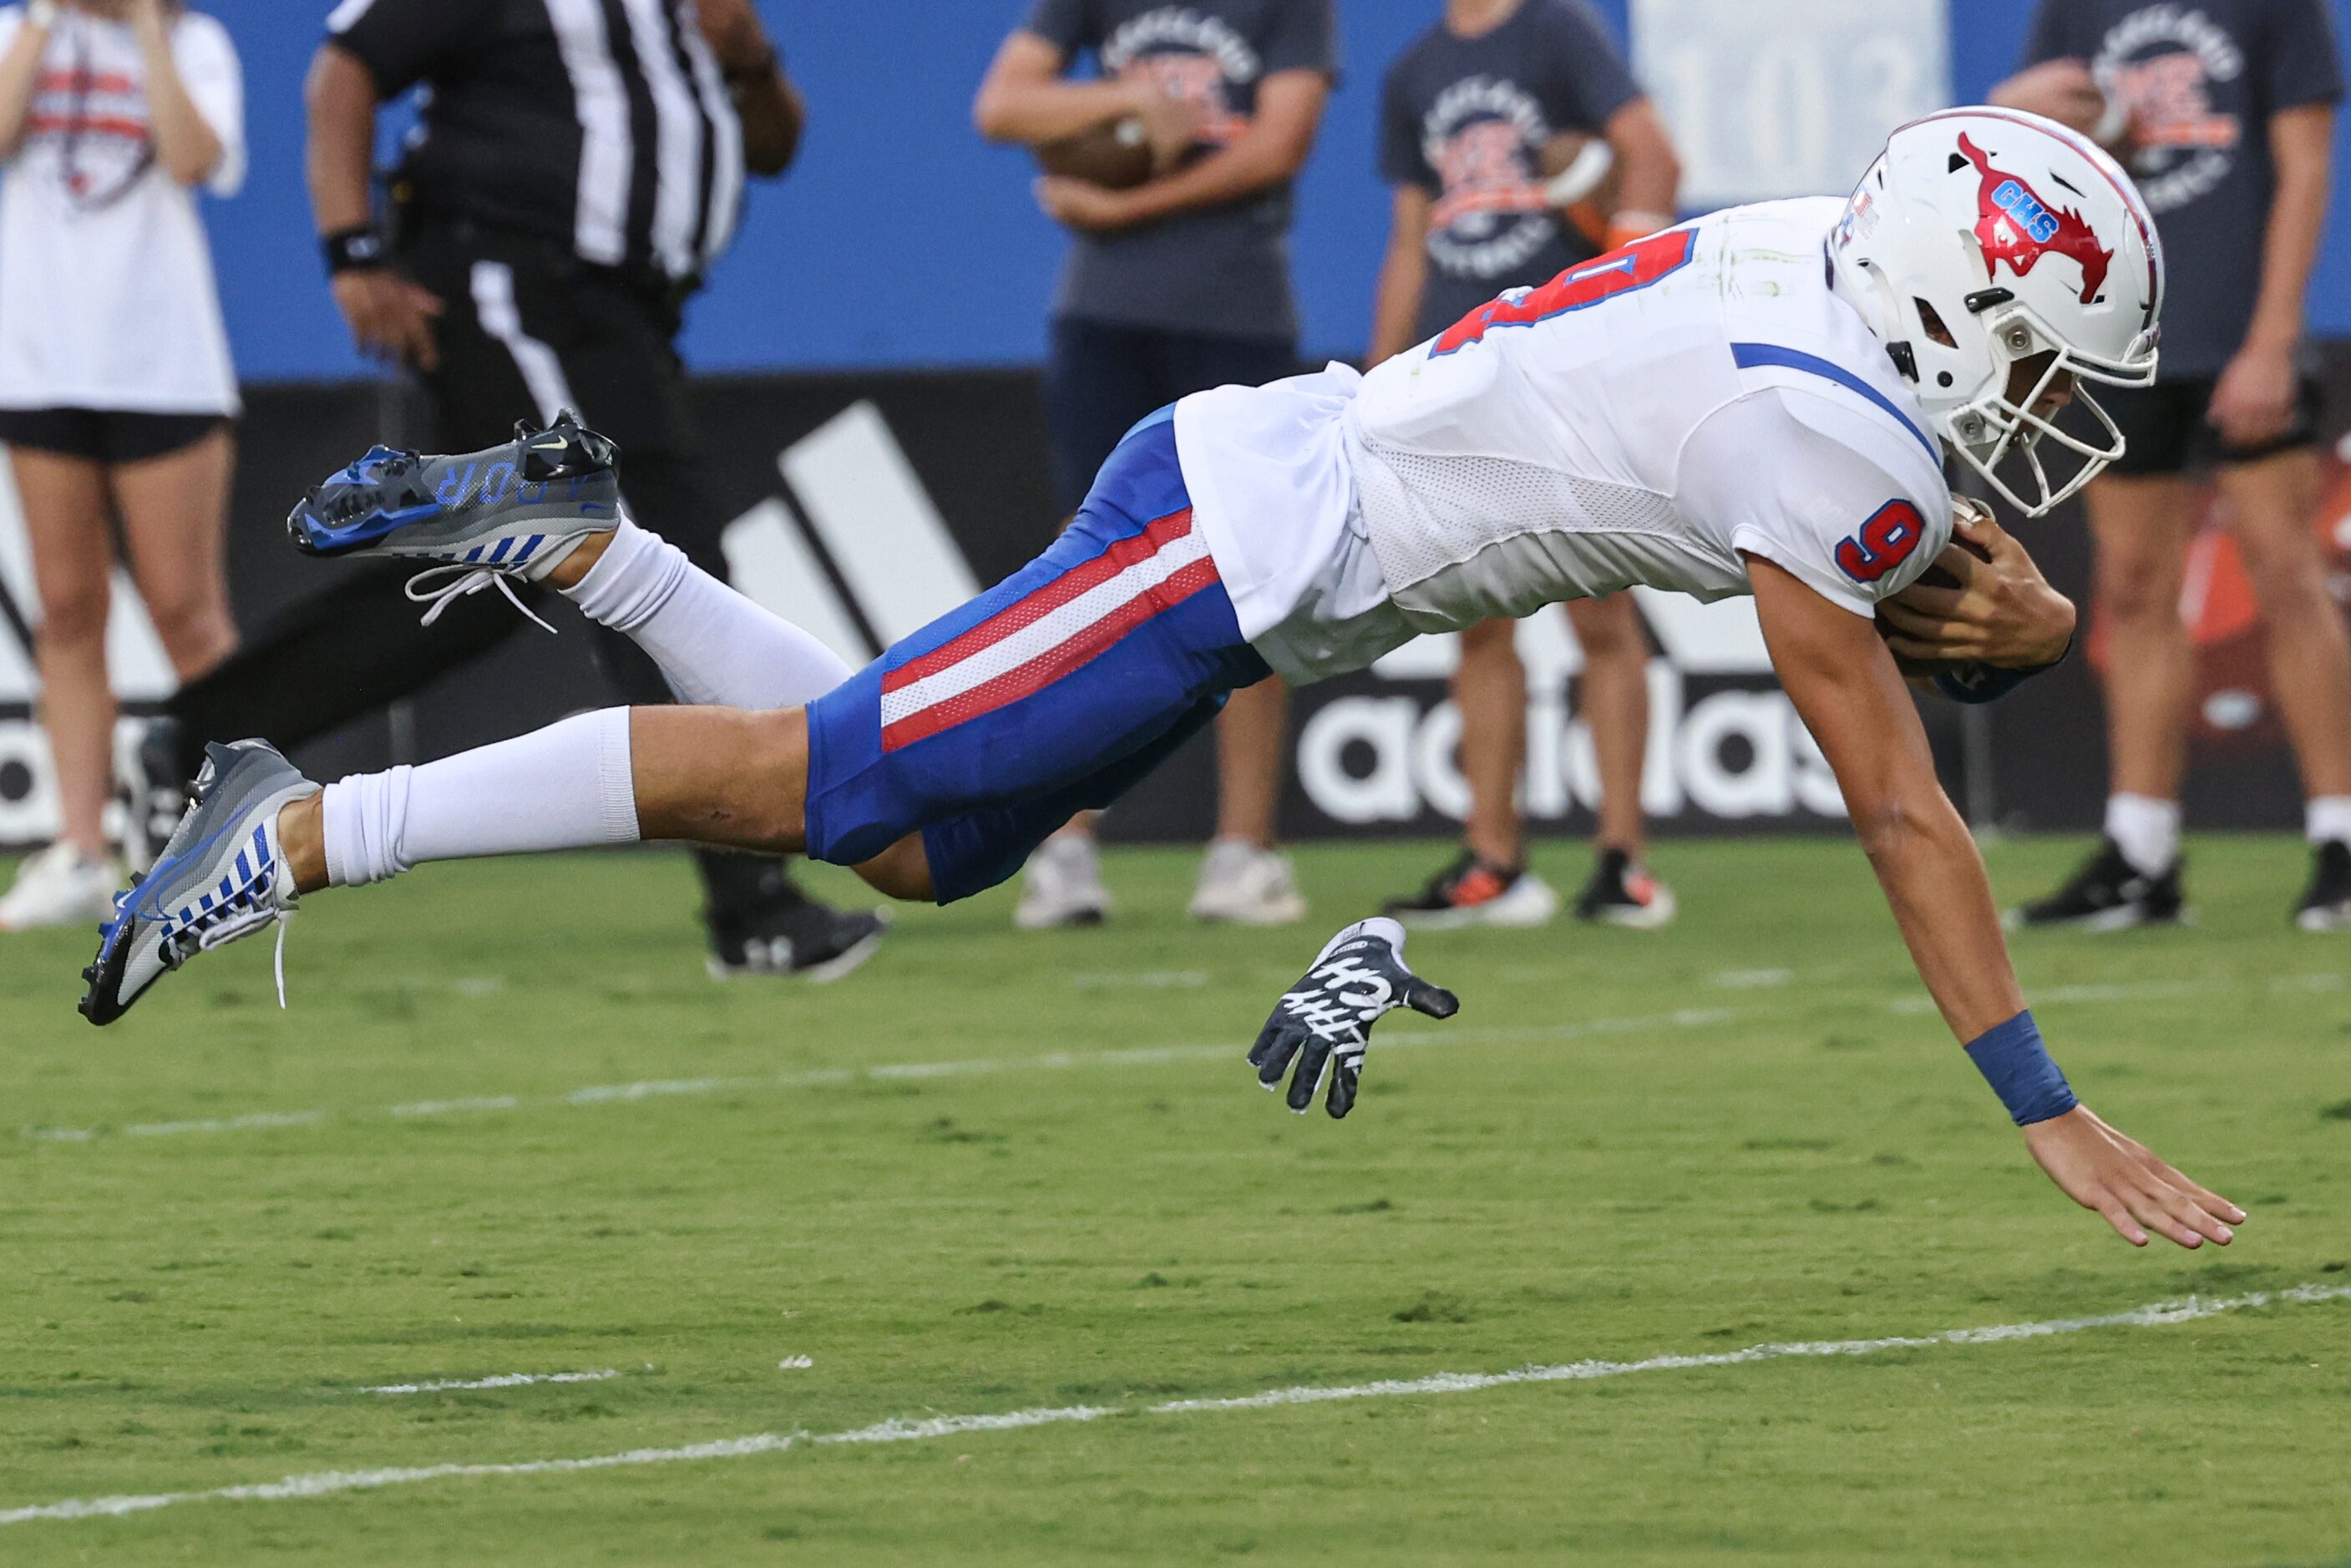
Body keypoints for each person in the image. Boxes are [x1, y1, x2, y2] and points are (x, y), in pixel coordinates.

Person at [83, 109, 2247, 1256]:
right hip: (1229, 538)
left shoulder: (1821, 250)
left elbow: (1934, 584)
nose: (2053, 410)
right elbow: (1894, 788)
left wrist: (2027, 618)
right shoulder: (1831, 432)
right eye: (2044, 357)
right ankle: (291, 827)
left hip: (1251, 528)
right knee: (814, 788)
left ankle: (594, 545)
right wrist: (2034, 1097)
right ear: (1949, 306)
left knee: (912, 843)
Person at [115, 0, 886, 979]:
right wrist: (352, 248)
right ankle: (751, 902)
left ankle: (191, 734)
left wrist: (752, 60)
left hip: (625, 319)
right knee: (627, 555)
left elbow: (772, 147)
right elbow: (344, 71)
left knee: (492, 582)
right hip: (515, 284)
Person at [973, 0, 1335, 929]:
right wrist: (1123, 105)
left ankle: (1241, 852)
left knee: (1255, 564)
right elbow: (1003, 105)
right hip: (1101, 313)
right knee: (1077, 570)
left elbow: (1277, 145)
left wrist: (1123, 201)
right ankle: (1062, 844)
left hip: (1236, 310)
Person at [1994, 0, 2351, 931]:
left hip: (2241, 330)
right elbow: (2022, 148)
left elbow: (2305, 164)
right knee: (2136, 587)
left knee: (2286, 574)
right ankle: (2142, 852)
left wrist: (2273, 337)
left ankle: (2339, 838)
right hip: (2123, 335)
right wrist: (2012, 104)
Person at [1366, 0, 1684, 929]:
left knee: (1601, 614)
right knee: (1476, 622)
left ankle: (1622, 859)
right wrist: (1376, 376)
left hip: (1561, 361)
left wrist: (1629, 288)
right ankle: (1493, 861)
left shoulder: (1555, 31)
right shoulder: (1412, 70)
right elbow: (1408, 237)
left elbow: (1654, 154)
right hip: (1459, 369)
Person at [0, 0, 240, 930]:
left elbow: (191, 158)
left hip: (165, 369)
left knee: (188, 612)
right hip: (40, 364)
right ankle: (80, 853)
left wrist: (145, 25)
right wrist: (47, 19)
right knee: (67, 607)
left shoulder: (196, 43)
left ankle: (240, 843)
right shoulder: (20, 30)